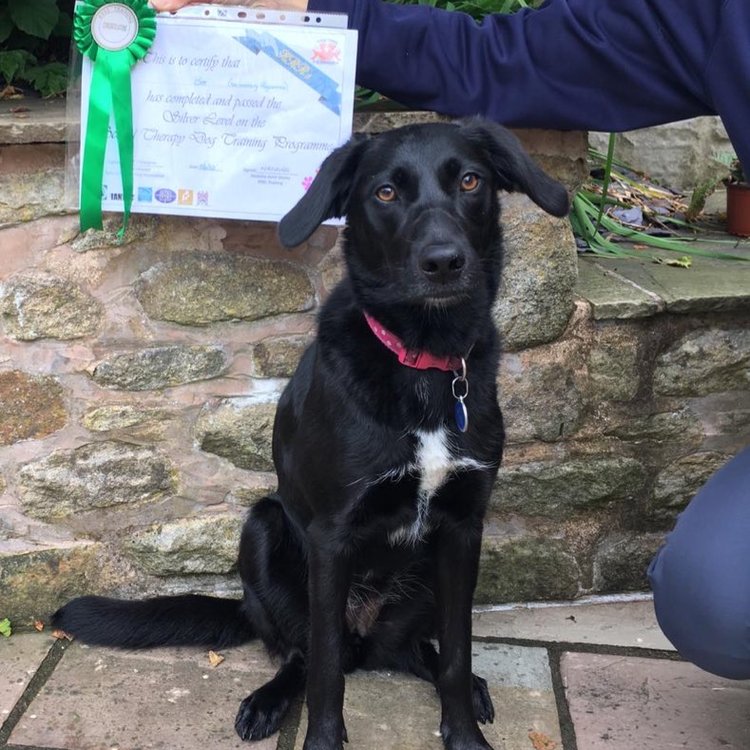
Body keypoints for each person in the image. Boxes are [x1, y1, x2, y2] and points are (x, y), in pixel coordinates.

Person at [152, 0, 750, 681]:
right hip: (316, 589)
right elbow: (493, 56)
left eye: (468, 183)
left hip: (410, 580)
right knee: (714, 604)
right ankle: (304, 667)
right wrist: (300, 5)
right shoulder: (723, 16)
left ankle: (427, 667)